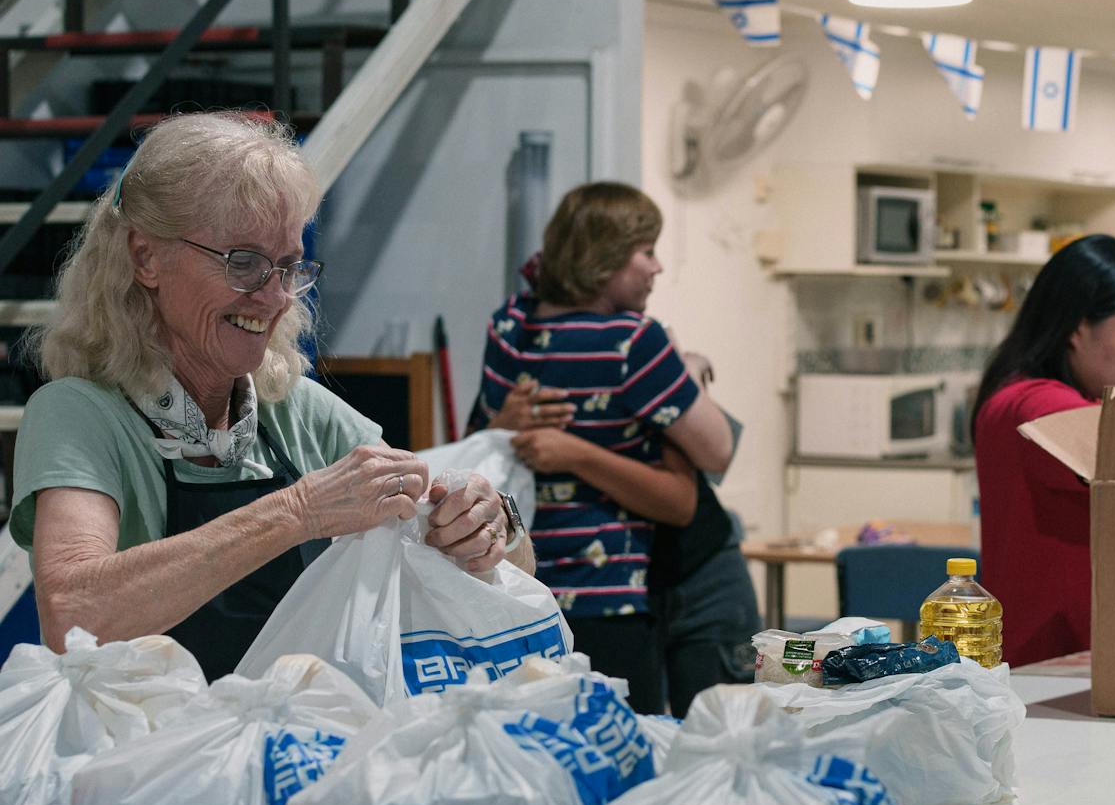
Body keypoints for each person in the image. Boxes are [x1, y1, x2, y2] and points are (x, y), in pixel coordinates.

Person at [8, 111, 527, 679]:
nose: (275, 297)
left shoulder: (298, 412)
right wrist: (297, 511)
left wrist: (491, 526)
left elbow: (506, 569)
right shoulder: (79, 415)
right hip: (146, 736)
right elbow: (74, 615)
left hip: (294, 734)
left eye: (287, 267)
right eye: (244, 262)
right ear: (145, 257)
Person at [474, 181, 732, 713]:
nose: (657, 267)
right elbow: (717, 451)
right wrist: (687, 370)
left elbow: (479, 445)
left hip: (517, 586)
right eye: (647, 251)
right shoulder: (635, 341)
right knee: (622, 743)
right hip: (608, 590)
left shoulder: (508, 328)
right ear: (606, 258)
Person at [973, 234, 1115, 668]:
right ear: (1078, 328)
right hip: (1051, 662)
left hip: (1054, 657)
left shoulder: (1015, 396)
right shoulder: (1034, 403)